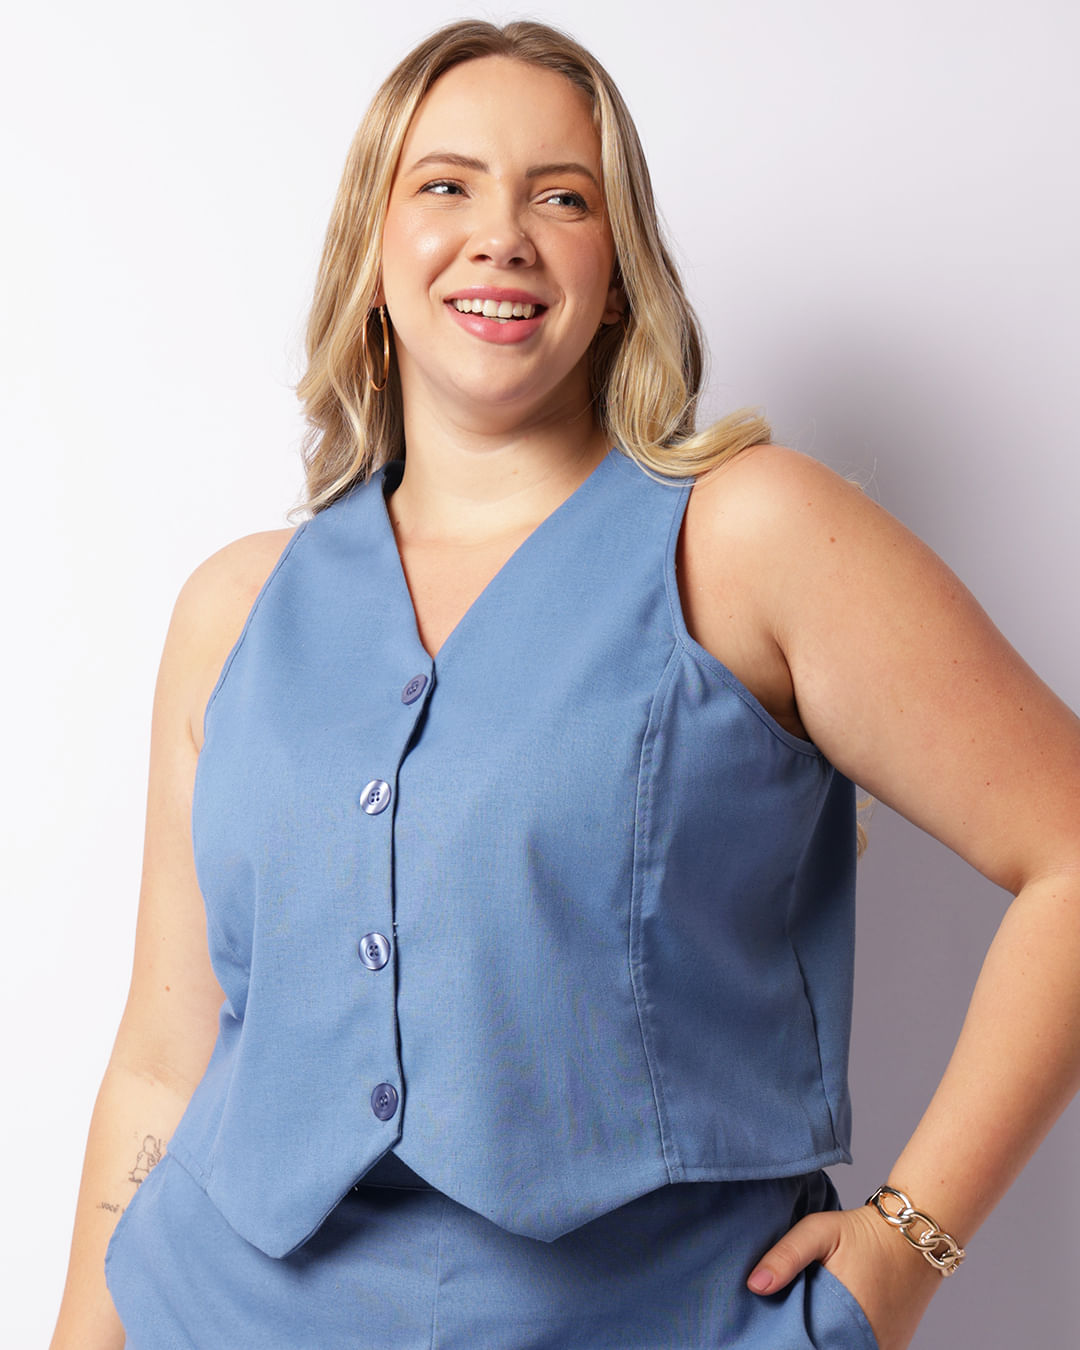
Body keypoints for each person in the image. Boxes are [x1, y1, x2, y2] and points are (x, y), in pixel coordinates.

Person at [50, 18, 1080, 1350]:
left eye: (562, 197)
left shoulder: (748, 537)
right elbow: (162, 1059)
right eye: (446, 185)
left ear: (620, 274)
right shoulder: (234, 610)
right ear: (373, 254)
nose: (502, 235)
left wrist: (908, 1245)